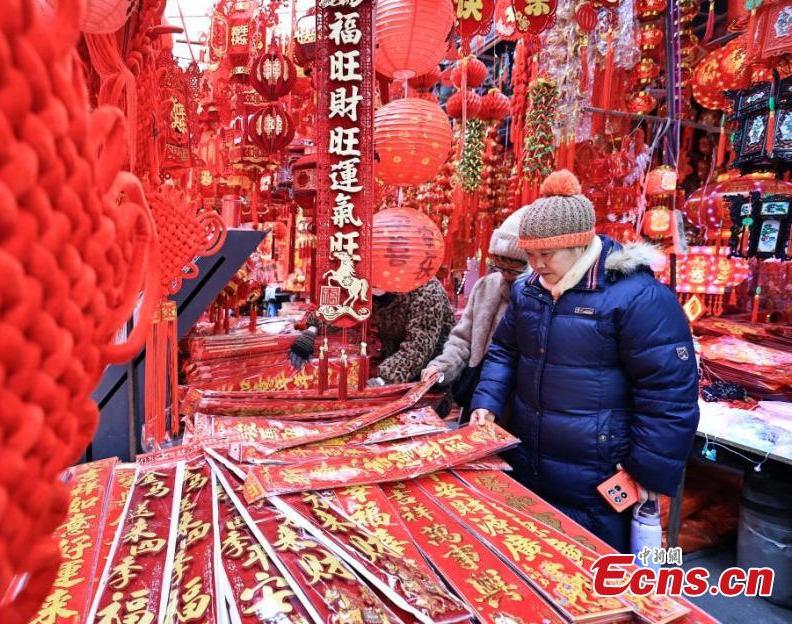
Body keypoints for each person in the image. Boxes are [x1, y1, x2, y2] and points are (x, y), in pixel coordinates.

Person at [470, 170, 700, 551]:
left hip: (599, 477)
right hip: (530, 462)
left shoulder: (636, 297)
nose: (536, 264)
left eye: (546, 254)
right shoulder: (529, 291)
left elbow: (669, 392)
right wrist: (487, 402)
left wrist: (645, 468)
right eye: (530, 254)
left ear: (578, 244)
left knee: (592, 569)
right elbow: (504, 351)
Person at [421, 207, 529, 416]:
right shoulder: (485, 287)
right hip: (476, 394)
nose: (506, 274)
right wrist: (442, 367)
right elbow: (462, 340)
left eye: (514, 268)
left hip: (517, 404)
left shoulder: (536, 297)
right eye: (500, 265)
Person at [290, 278, 455, 386]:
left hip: (431, 377)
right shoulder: (366, 284)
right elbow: (342, 310)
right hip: (394, 374)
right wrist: (312, 330)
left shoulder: (425, 288)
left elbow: (418, 347)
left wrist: (383, 379)